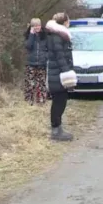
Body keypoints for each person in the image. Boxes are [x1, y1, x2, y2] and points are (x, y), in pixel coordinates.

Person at [45, 13, 75, 142]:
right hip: (57, 74)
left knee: (60, 101)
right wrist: (67, 73)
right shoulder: (58, 37)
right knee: (59, 102)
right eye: (68, 21)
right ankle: (56, 130)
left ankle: (58, 128)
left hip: (58, 73)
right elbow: (60, 57)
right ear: (64, 23)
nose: (69, 23)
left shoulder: (59, 35)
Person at [23, 18, 48, 105]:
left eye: (38, 25)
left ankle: (41, 100)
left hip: (42, 63)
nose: (37, 27)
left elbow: (48, 48)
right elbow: (28, 46)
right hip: (31, 63)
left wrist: (46, 57)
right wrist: (31, 35)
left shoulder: (45, 35)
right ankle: (29, 100)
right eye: (34, 26)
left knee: (41, 83)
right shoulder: (28, 35)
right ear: (31, 27)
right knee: (30, 83)